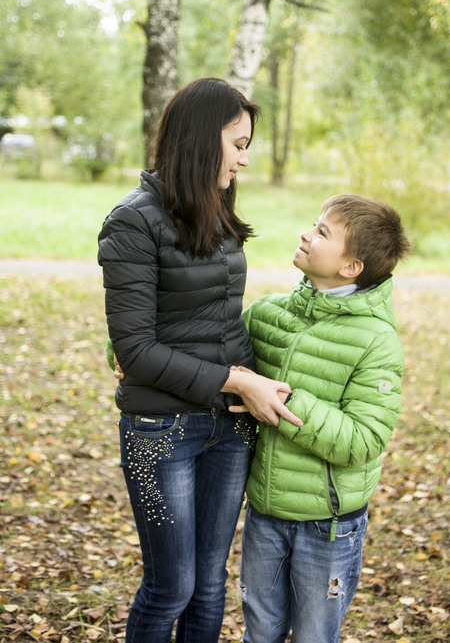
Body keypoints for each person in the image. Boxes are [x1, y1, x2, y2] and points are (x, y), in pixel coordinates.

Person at [97, 77, 302, 643]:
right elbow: (135, 346)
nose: (243, 160)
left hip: (228, 426)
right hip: (160, 431)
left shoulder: (217, 212)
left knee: (211, 584)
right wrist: (237, 379)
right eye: (238, 144)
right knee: (173, 587)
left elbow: (214, 319)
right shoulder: (133, 222)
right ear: (198, 138)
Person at [230, 193, 412, 643]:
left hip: (329, 526)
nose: (306, 234)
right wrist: (131, 351)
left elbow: (364, 440)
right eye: (314, 224)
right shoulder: (270, 313)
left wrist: (282, 402)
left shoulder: (376, 341)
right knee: (260, 631)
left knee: (314, 636)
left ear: (351, 266)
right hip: (266, 514)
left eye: (322, 232)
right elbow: (209, 342)